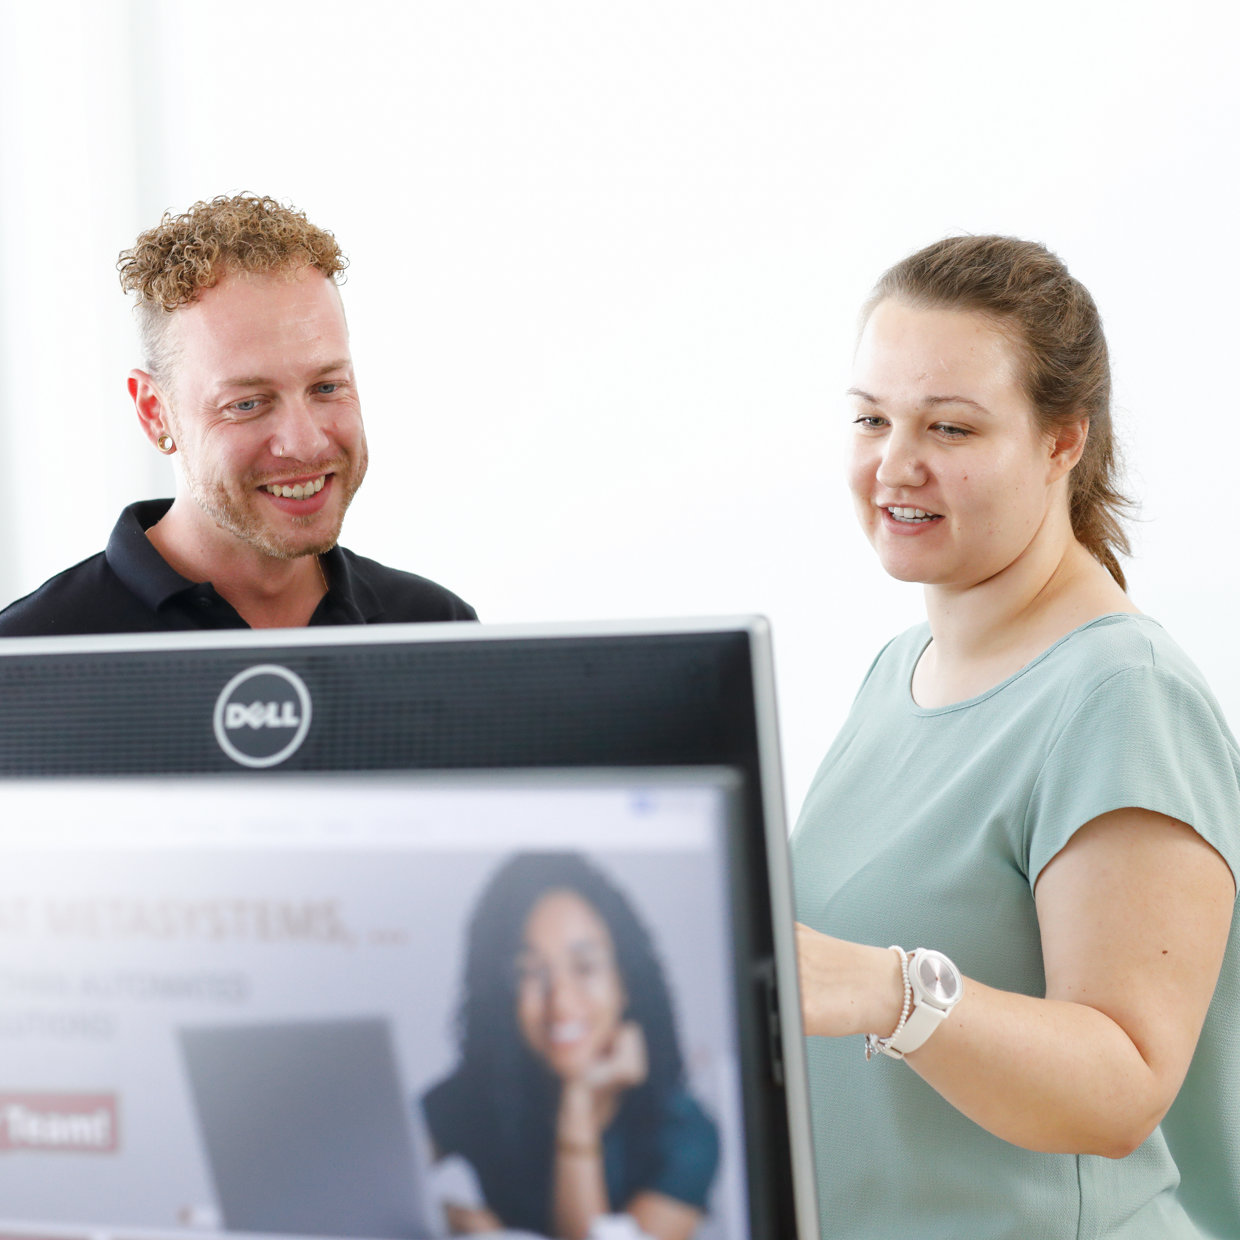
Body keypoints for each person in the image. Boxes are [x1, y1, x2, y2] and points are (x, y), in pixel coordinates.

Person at [792, 235, 1240, 1239]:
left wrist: (887, 988)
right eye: (871, 418)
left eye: (949, 427)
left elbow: (1121, 1085)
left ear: (1060, 441)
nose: (893, 465)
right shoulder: (893, 675)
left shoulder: (1123, 696)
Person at [0, 194, 475, 635]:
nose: (305, 442)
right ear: (154, 413)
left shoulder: (437, 628)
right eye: (247, 403)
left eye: (326, 387)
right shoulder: (28, 654)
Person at [423, 852, 719, 1240]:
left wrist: (577, 1106)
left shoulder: (683, 1132)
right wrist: (437, 1219)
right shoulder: (476, 1095)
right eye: (530, 973)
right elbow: (360, 1179)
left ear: (625, 982)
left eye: (585, 967)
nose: (560, 1001)